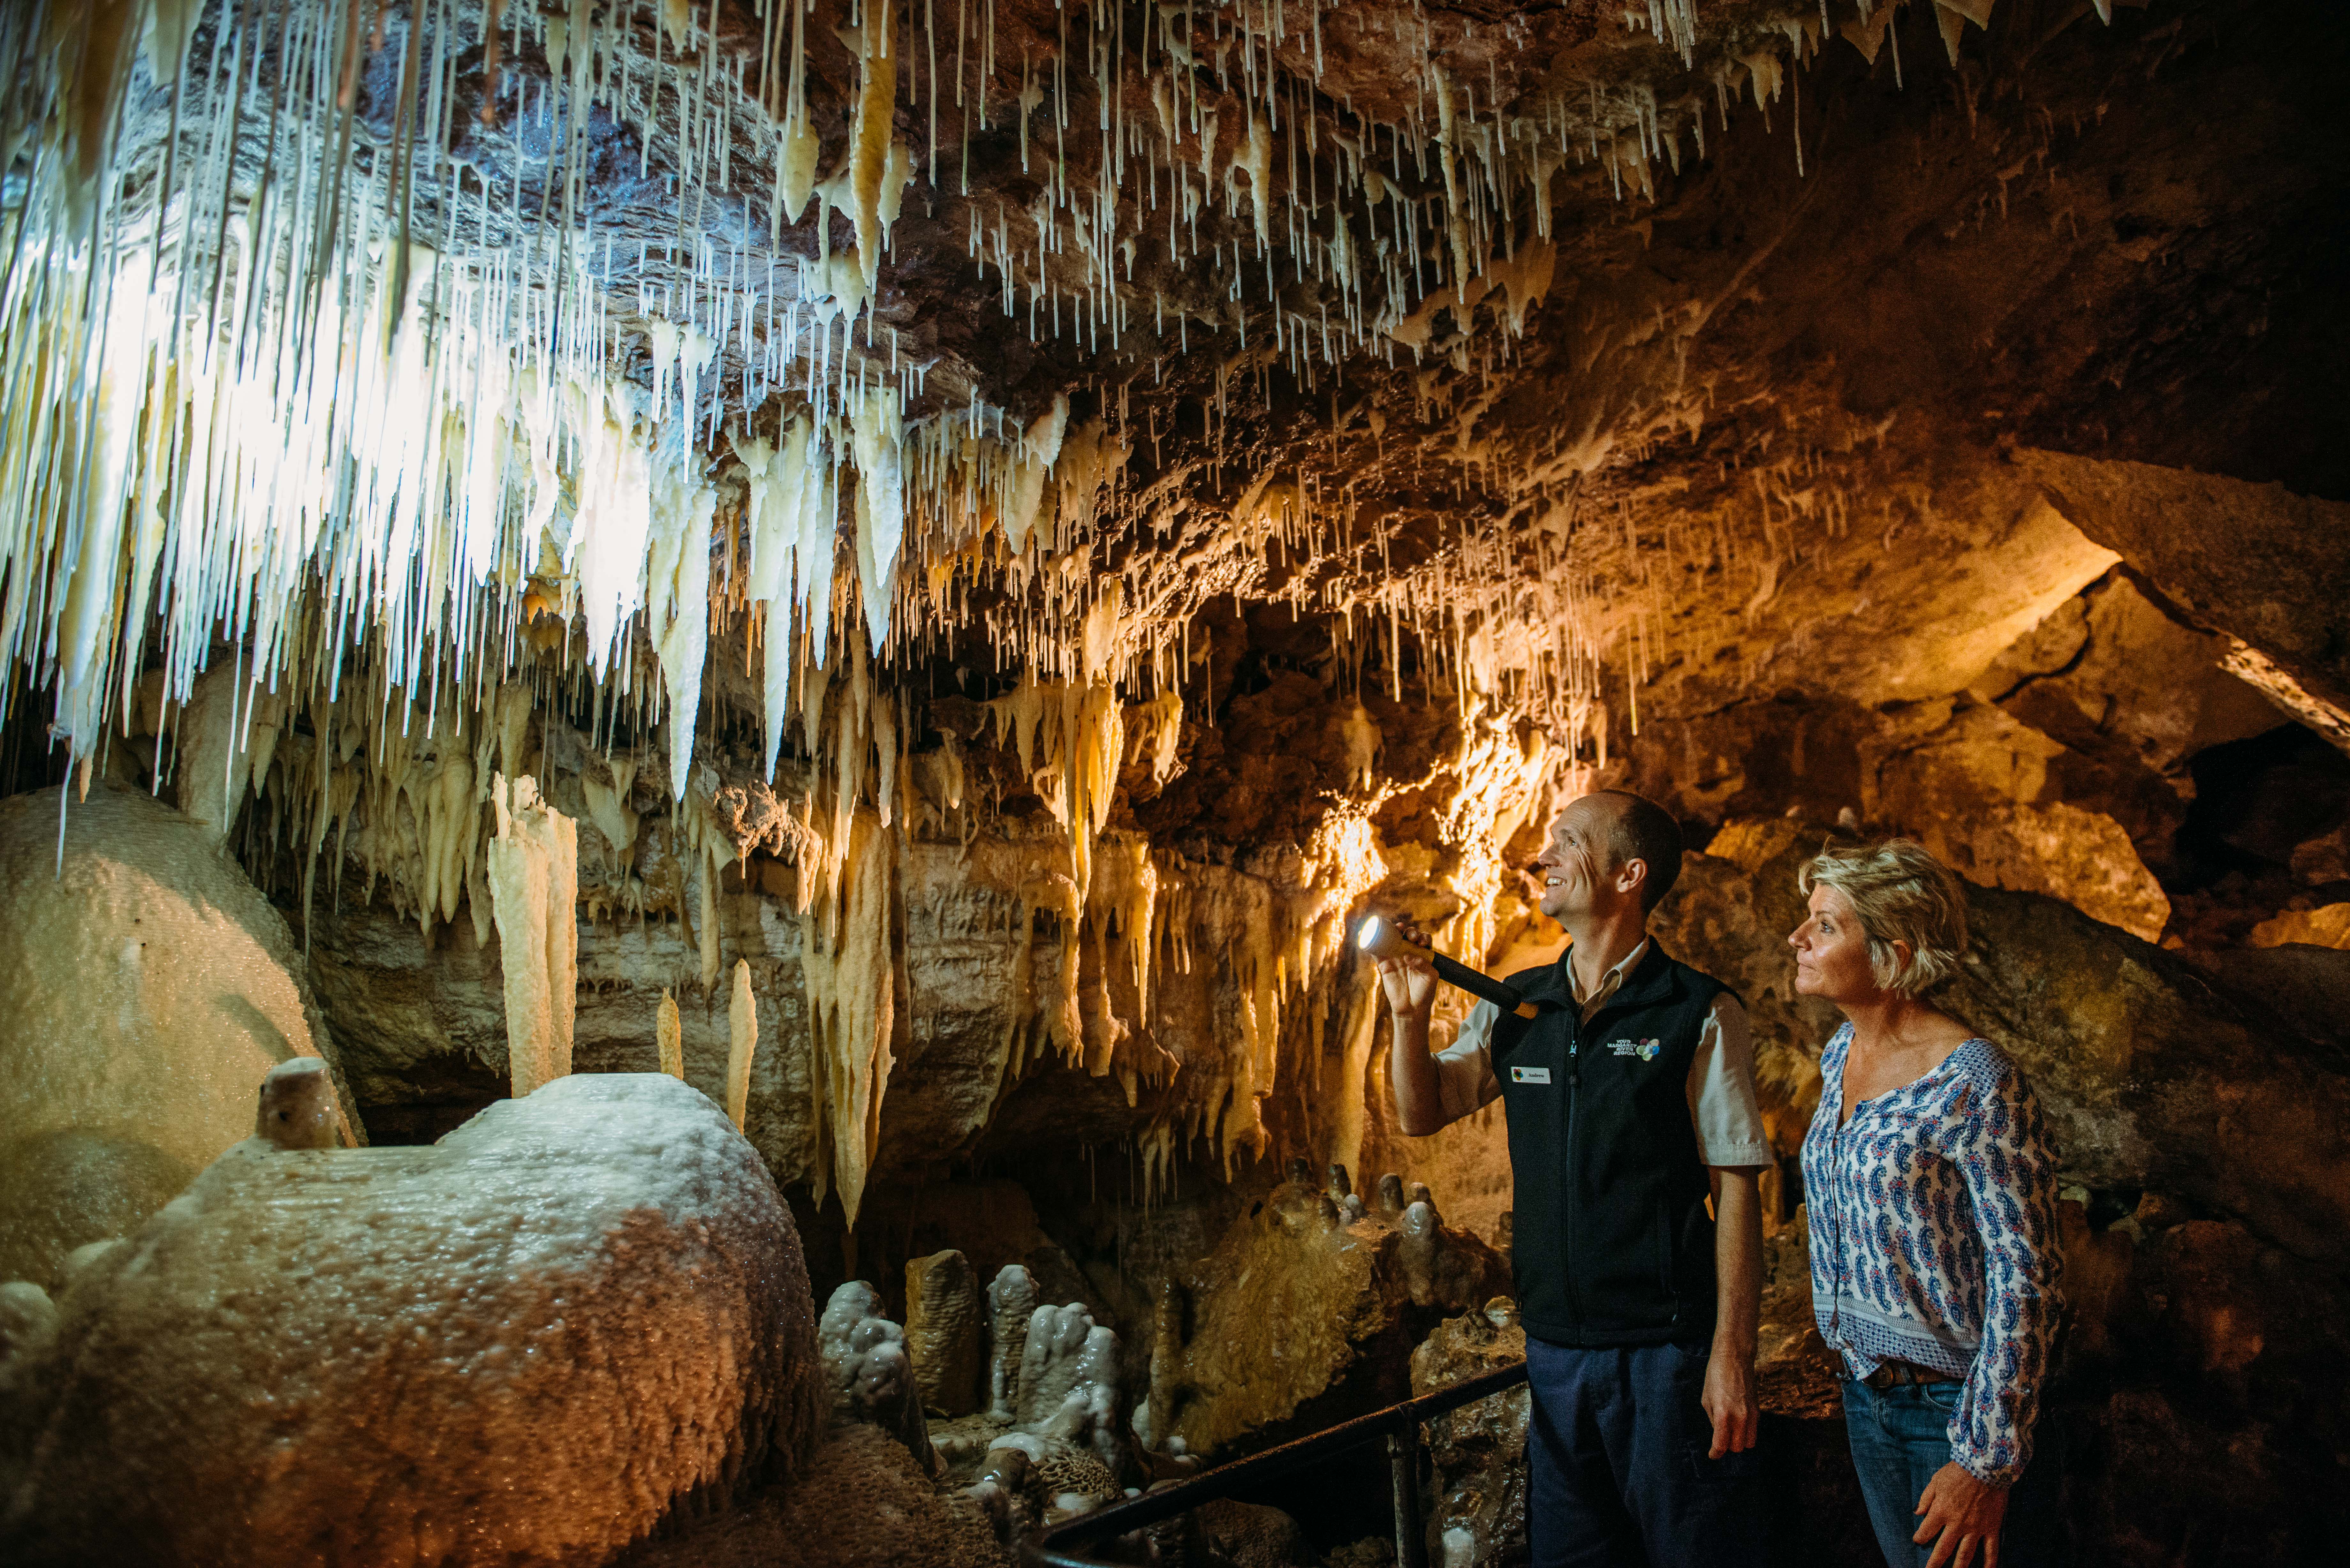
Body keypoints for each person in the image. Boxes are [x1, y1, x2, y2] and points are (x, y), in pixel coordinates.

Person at [1379, 790, 1775, 1568]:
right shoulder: (1517, 1003)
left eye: (1567, 840)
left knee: (1690, 1550)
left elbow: (1736, 1185)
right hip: (1554, 1345)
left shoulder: (1694, 1009)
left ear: (1629, 875)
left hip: (1664, 1351)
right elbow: (1422, 1112)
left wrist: (1731, 1354)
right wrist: (1404, 1019)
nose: (1543, 856)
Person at [1789, 840, 2064, 1568]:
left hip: (1950, 1409)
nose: (1796, 937)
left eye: (1823, 925)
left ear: (1890, 952)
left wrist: (1985, 1458)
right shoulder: (1838, 1050)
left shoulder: (1974, 1081)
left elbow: (2025, 1275)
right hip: (1862, 1394)